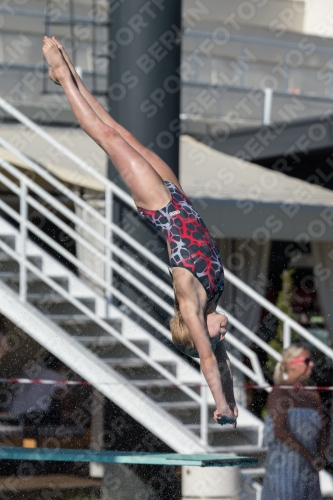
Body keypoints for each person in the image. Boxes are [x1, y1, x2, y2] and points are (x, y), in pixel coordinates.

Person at [42, 36, 238, 426]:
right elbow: (226, 365)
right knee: (122, 132)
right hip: (179, 200)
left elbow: (212, 364)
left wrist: (219, 405)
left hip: (162, 210)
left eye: (219, 336)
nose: (225, 331)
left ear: (204, 337)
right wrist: (232, 402)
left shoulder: (193, 307)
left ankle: (64, 79)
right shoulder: (213, 299)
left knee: (108, 138)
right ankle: (73, 77)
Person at [261, 342, 327, 500]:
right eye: (306, 360)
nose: (311, 363)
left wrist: (322, 455)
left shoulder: (313, 396)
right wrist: (310, 456)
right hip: (283, 470)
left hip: (309, 471)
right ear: (291, 364)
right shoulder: (279, 393)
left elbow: (323, 429)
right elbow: (280, 431)